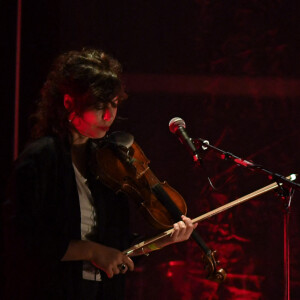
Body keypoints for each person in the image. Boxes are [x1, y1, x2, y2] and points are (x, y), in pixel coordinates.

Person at [2, 48, 197, 300]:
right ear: (69, 102)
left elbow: (118, 243)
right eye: (98, 106)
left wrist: (166, 240)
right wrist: (91, 251)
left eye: (114, 105)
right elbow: (21, 239)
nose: (108, 116)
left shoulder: (105, 161)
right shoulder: (41, 157)